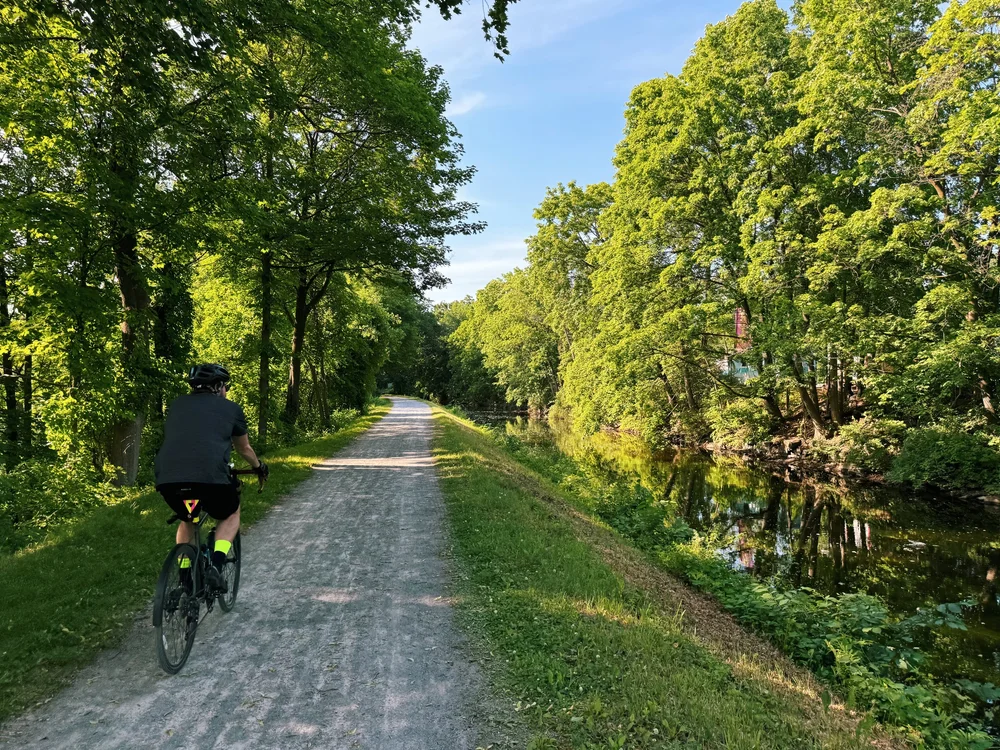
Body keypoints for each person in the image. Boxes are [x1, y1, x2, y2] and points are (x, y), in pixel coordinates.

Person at [154, 363, 268, 592]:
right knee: (230, 513)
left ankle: (184, 575)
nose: (226, 390)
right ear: (218, 386)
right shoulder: (231, 409)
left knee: (188, 517)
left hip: (168, 480)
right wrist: (259, 467)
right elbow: (244, 448)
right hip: (210, 481)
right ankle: (216, 565)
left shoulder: (176, 405)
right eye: (225, 386)